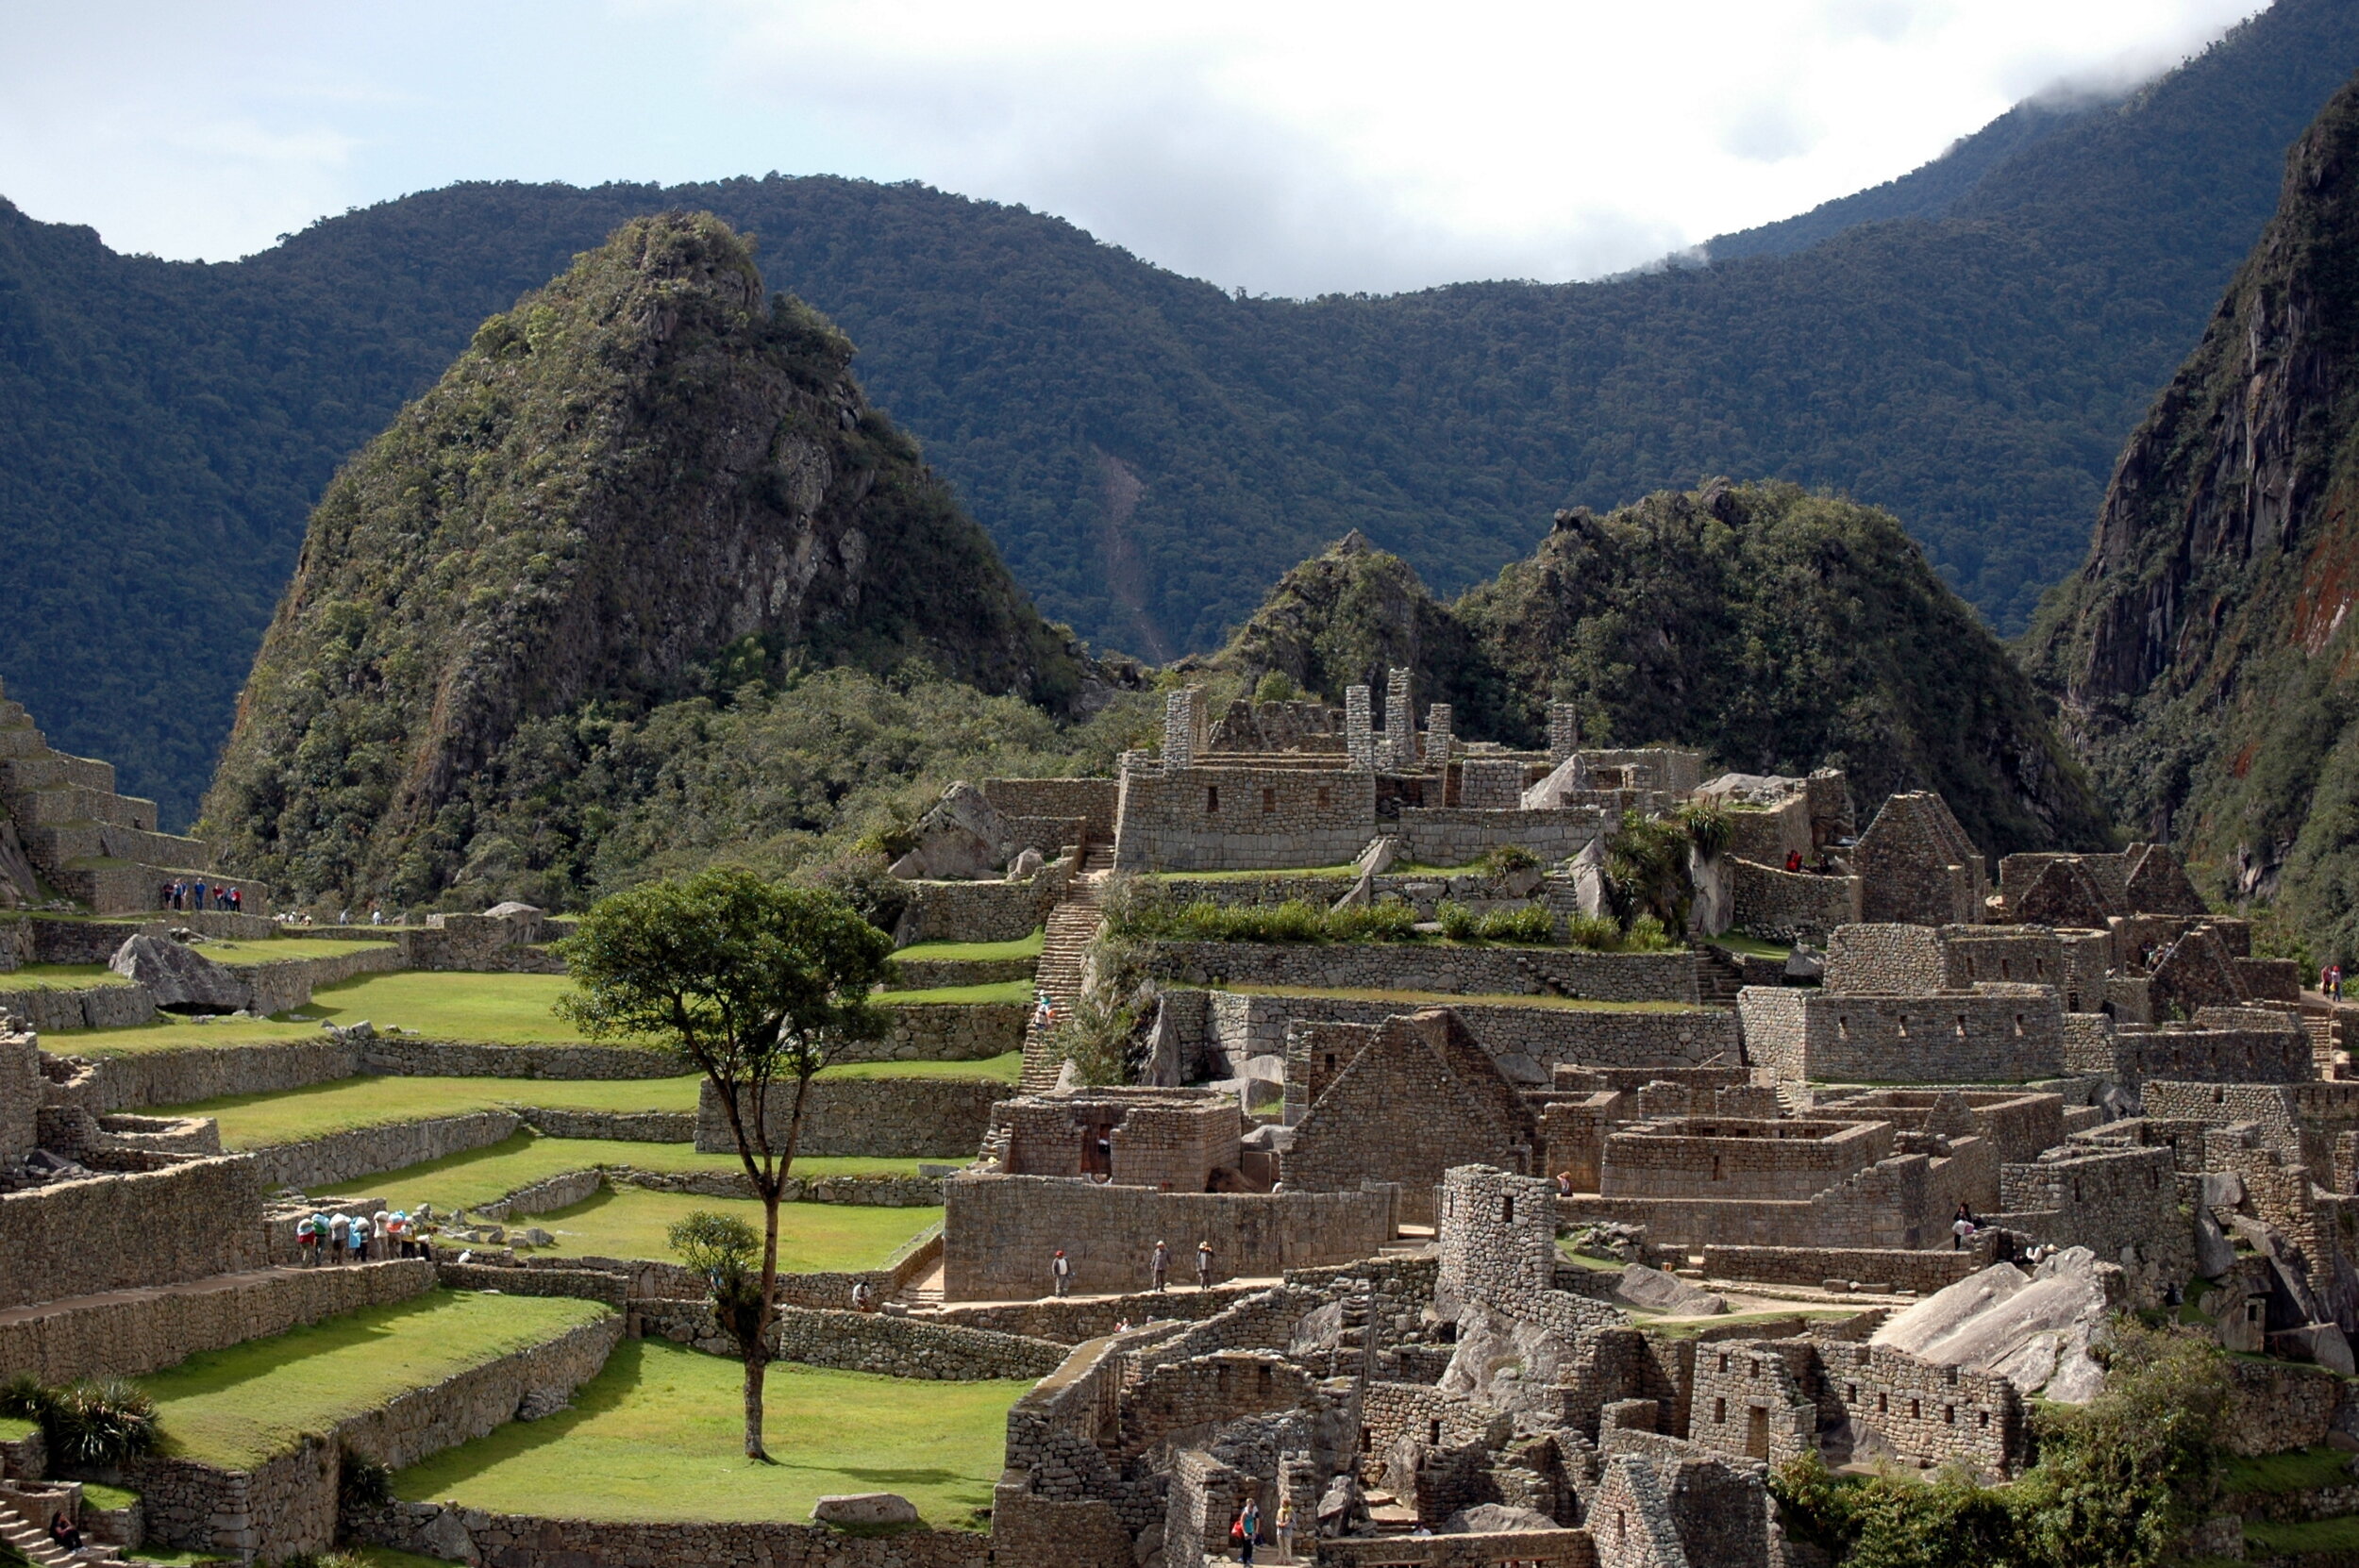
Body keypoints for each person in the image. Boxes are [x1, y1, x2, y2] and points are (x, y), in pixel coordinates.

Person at [1233, 1497, 1260, 1565]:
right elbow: (1241, 1523)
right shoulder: (1245, 1513)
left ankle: (1248, 1560)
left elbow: (1256, 1520)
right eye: (1251, 1508)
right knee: (1245, 1546)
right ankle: (1245, 1561)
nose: (1252, 1510)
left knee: (1249, 1545)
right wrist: (1244, 1532)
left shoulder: (1252, 1512)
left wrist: (1255, 1530)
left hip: (1250, 1531)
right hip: (1245, 1532)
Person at [1274, 1492, 1294, 1562]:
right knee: (1280, 1547)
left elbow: (1293, 1523)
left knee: (1287, 1547)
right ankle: (1280, 1560)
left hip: (1287, 1532)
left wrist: (1286, 1525)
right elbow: (1276, 1519)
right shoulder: (1279, 1511)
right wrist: (1278, 1523)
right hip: (1279, 1532)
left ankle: (1289, 1560)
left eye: (1283, 1503)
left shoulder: (1291, 1512)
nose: (1282, 1504)